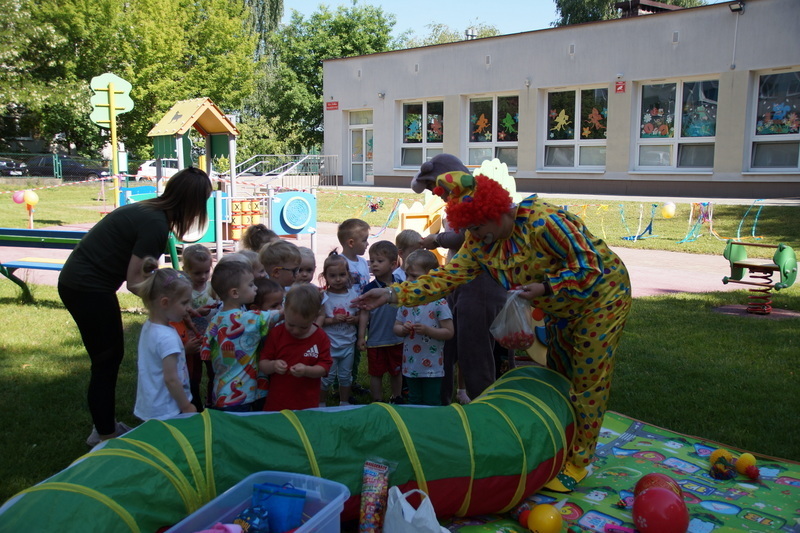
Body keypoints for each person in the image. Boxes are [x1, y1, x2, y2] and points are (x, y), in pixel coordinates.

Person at [355, 163, 632, 493]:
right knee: (561, 371)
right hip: (560, 307)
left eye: (478, 225)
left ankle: (580, 459)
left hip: (602, 296)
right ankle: (566, 436)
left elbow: (590, 267)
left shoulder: (544, 221)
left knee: (588, 377)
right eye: (468, 227)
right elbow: (444, 279)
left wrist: (546, 287)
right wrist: (391, 294)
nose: (475, 234)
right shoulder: (479, 244)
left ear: (497, 211)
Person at [59, 166, 212, 447]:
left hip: (81, 283)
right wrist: (171, 308)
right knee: (106, 361)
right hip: (86, 288)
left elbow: (145, 278)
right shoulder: (155, 224)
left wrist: (179, 305)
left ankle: (104, 425)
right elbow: (136, 280)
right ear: (193, 203)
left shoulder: (149, 211)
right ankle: (105, 436)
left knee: (107, 359)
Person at [412, 154, 511, 406]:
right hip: (462, 281)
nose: (435, 194)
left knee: (475, 352)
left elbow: (463, 238)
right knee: (450, 345)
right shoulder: (458, 202)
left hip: (481, 285)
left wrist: (435, 240)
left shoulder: (473, 203)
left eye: (434, 187)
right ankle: (440, 404)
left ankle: (485, 408)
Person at [201, 260, 281, 411]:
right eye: (251, 285)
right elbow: (278, 315)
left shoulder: (215, 320)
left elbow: (206, 354)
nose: (255, 288)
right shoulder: (246, 318)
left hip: (221, 392)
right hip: (243, 395)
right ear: (235, 293)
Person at [131, 259, 197, 421]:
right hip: (168, 408)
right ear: (165, 302)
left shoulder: (149, 327)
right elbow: (171, 379)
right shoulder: (167, 337)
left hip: (152, 404)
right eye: (184, 302)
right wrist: (186, 406)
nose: (189, 307)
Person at [393, 250, 453, 406]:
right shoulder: (407, 302)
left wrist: (428, 330)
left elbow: (449, 332)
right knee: (414, 399)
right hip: (411, 364)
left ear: (431, 277)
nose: (408, 280)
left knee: (432, 400)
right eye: (407, 275)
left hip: (432, 366)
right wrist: (403, 329)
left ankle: (431, 421)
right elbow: (396, 327)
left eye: (414, 276)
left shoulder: (439, 303)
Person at [259, 284, 333, 411]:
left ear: (315, 317)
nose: (296, 331)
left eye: (304, 327)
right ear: (284, 311)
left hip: (307, 403)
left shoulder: (320, 337)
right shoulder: (276, 333)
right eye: (291, 324)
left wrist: (307, 370)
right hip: (277, 403)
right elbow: (263, 363)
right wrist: (273, 365)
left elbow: (324, 367)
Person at [357, 240, 405, 403]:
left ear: (393, 264)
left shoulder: (401, 287)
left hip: (397, 339)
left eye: (379, 261)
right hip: (376, 340)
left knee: (396, 371)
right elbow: (364, 313)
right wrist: (361, 337)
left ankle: (396, 397)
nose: (374, 265)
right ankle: (377, 401)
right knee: (376, 373)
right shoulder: (369, 289)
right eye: (372, 261)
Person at [318, 252, 360, 406]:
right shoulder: (324, 297)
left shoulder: (353, 294)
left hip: (348, 343)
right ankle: (321, 404)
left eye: (342, 275)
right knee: (326, 376)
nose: (338, 279)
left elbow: (360, 316)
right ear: (325, 276)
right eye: (333, 275)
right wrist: (333, 320)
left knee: (346, 376)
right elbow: (320, 321)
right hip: (329, 345)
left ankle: (344, 402)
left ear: (348, 274)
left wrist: (354, 319)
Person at [337, 218, 371, 394]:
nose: (367, 244)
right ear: (351, 243)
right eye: (364, 240)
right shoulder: (339, 262)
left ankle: (352, 381)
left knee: (357, 349)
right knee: (342, 349)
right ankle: (338, 384)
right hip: (346, 314)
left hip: (362, 314)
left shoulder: (363, 262)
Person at [181, 243, 217, 410]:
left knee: (214, 372)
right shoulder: (184, 290)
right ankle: (194, 404)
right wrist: (196, 312)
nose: (203, 276)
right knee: (193, 375)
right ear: (186, 270)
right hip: (193, 340)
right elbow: (180, 313)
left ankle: (211, 402)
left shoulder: (212, 288)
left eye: (206, 271)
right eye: (197, 273)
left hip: (212, 338)